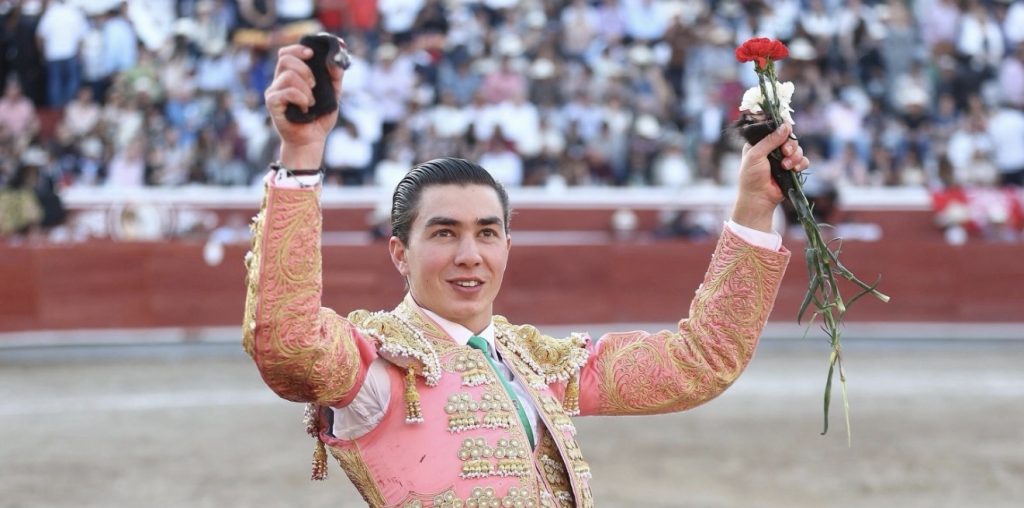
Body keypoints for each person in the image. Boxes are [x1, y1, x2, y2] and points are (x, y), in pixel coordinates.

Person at [244, 39, 809, 507]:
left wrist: (755, 207)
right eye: (444, 233)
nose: (470, 255)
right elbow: (290, 345)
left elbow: (699, 364)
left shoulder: (539, 365)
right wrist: (302, 153)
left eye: (487, 233)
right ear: (399, 253)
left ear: (507, 246)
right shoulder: (379, 368)